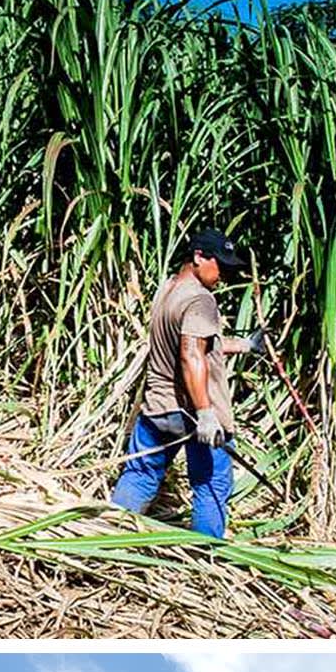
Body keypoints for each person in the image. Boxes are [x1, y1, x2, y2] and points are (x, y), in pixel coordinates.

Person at [110, 229, 267, 542]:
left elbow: (200, 343)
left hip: (157, 408)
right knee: (211, 487)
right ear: (198, 257)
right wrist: (206, 413)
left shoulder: (168, 290)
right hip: (194, 416)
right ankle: (203, 560)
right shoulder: (200, 299)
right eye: (219, 265)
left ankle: (109, 539)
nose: (223, 274)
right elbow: (191, 353)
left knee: (140, 475)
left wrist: (248, 346)